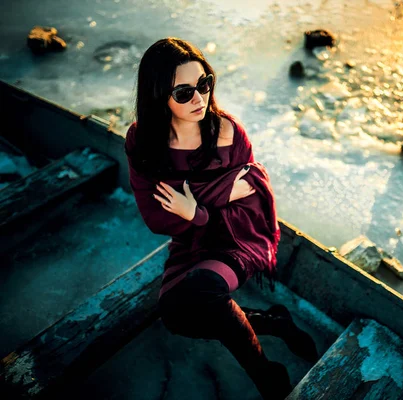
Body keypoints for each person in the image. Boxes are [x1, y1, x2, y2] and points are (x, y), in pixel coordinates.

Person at [124, 37, 318, 400]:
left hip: (238, 236)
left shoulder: (227, 133)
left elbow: (251, 198)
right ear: (157, 96)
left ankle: (266, 375)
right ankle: (271, 322)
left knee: (204, 290)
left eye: (204, 84)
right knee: (176, 315)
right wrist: (210, 203)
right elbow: (155, 217)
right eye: (184, 92)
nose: (200, 99)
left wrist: (193, 210)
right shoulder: (141, 142)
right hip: (192, 239)